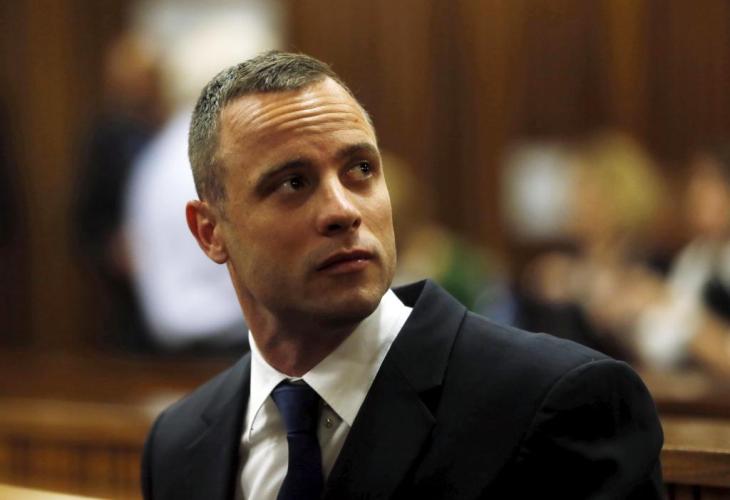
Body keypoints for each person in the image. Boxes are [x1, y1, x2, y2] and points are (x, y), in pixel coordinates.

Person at [141, 51, 664, 499]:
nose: (343, 210)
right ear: (210, 231)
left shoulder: (560, 401)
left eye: (360, 169)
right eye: (294, 182)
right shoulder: (179, 444)